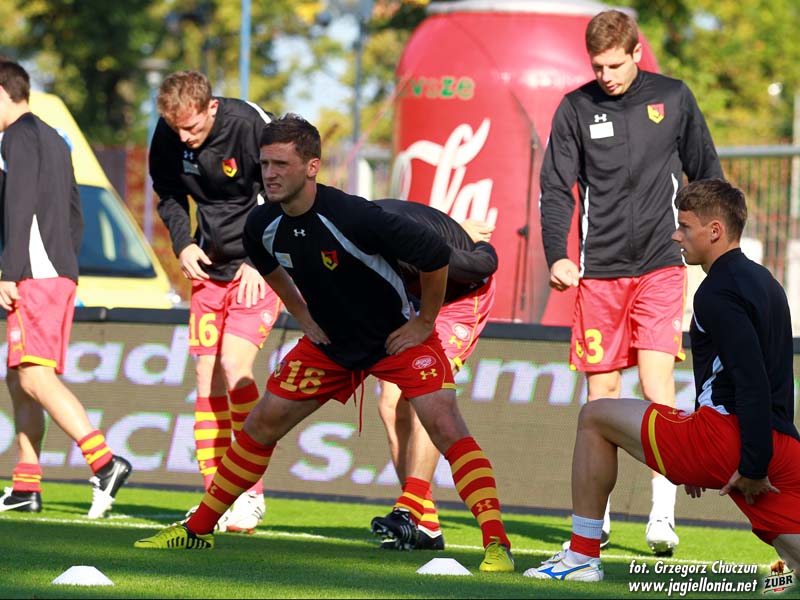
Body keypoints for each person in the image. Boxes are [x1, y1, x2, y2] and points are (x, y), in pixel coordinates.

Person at [134, 114, 515, 573]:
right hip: (333, 343)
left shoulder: (357, 217)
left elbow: (436, 257)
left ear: (312, 167)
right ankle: (197, 531)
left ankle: (496, 544)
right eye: (265, 164)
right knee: (260, 424)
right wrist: (302, 316)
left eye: (281, 164)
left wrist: (425, 322)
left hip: (397, 335)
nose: (269, 174)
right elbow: (268, 266)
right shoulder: (261, 224)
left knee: (445, 425)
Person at [525, 178, 800, 581]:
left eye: (685, 226)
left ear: (715, 231)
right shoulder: (767, 283)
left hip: (731, 439)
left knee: (594, 417)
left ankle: (581, 557)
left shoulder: (715, 292)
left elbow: (751, 380)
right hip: (783, 443)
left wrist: (751, 465)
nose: (676, 235)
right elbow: (770, 376)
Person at [538, 9, 724, 555]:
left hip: (662, 266)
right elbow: (556, 188)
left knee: (656, 386)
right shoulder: (575, 107)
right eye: (597, 66)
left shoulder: (674, 96)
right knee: (600, 400)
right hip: (597, 274)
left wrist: (714, 247)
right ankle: (593, 524)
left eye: (615, 65)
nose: (606, 76)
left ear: (637, 53)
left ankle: (662, 515)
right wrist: (557, 255)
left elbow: (707, 173)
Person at [149, 70, 283, 532]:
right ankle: (216, 498)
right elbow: (168, 193)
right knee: (207, 381)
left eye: (192, 128)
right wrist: (183, 244)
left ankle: (251, 493)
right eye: (176, 129)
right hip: (208, 270)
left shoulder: (250, 124)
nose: (184, 138)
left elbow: (282, 194)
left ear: (211, 108)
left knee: (234, 366)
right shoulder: (170, 134)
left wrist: (260, 260)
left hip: (259, 269)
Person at [0, 59, 132, 518]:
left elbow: (18, 206)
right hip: (56, 271)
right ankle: (26, 485)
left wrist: (10, 271)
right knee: (19, 378)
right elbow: (76, 211)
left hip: (34, 274)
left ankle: (105, 463)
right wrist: (64, 264)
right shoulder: (55, 137)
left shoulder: (15, 137)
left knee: (34, 376)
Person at [369, 199, 497, 551]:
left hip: (462, 292)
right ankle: (424, 525)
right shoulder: (337, 235)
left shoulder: (401, 238)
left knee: (425, 398)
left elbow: (483, 263)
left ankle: (409, 510)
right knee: (389, 404)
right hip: (413, 298)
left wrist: (467, 241)